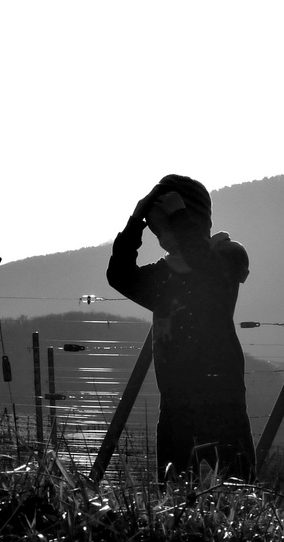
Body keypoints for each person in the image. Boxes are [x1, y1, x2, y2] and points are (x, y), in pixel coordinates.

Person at [107, 175, 255, 481]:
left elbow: (204, 267)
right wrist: (135, 222)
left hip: (220, 395)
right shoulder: (164, 275)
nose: (162, 235)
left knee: (237, 482)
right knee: (174, 486)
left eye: (168, 224)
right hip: (175, 397)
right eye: (155, 227)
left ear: (192, 219)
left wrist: (179, 214)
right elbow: (120, 275)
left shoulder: (226, 257)